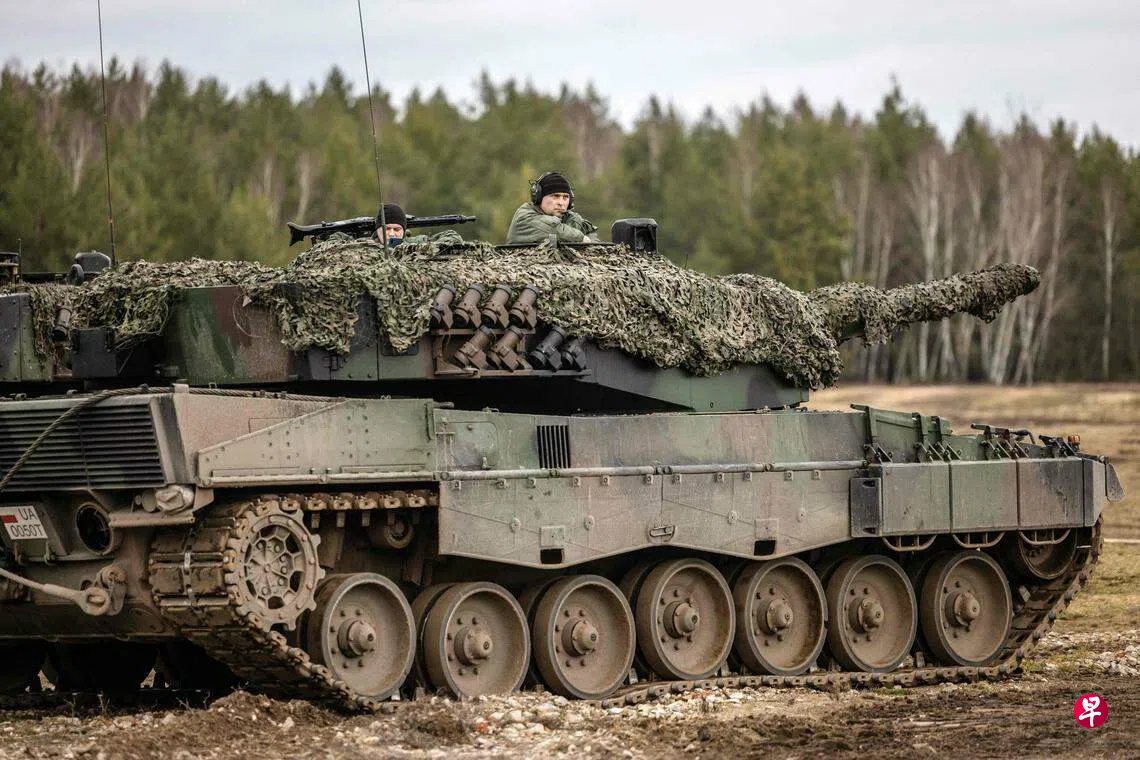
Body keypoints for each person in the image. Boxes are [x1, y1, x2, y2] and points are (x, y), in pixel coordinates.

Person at [505, 172, 598, 244]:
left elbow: (591, 234)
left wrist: (591, 241)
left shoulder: (571, 218)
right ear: (539, 197)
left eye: (565, 197)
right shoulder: (524, 217)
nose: (561, 203)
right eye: (555, 196)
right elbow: (554, 230)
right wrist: (582, 238)